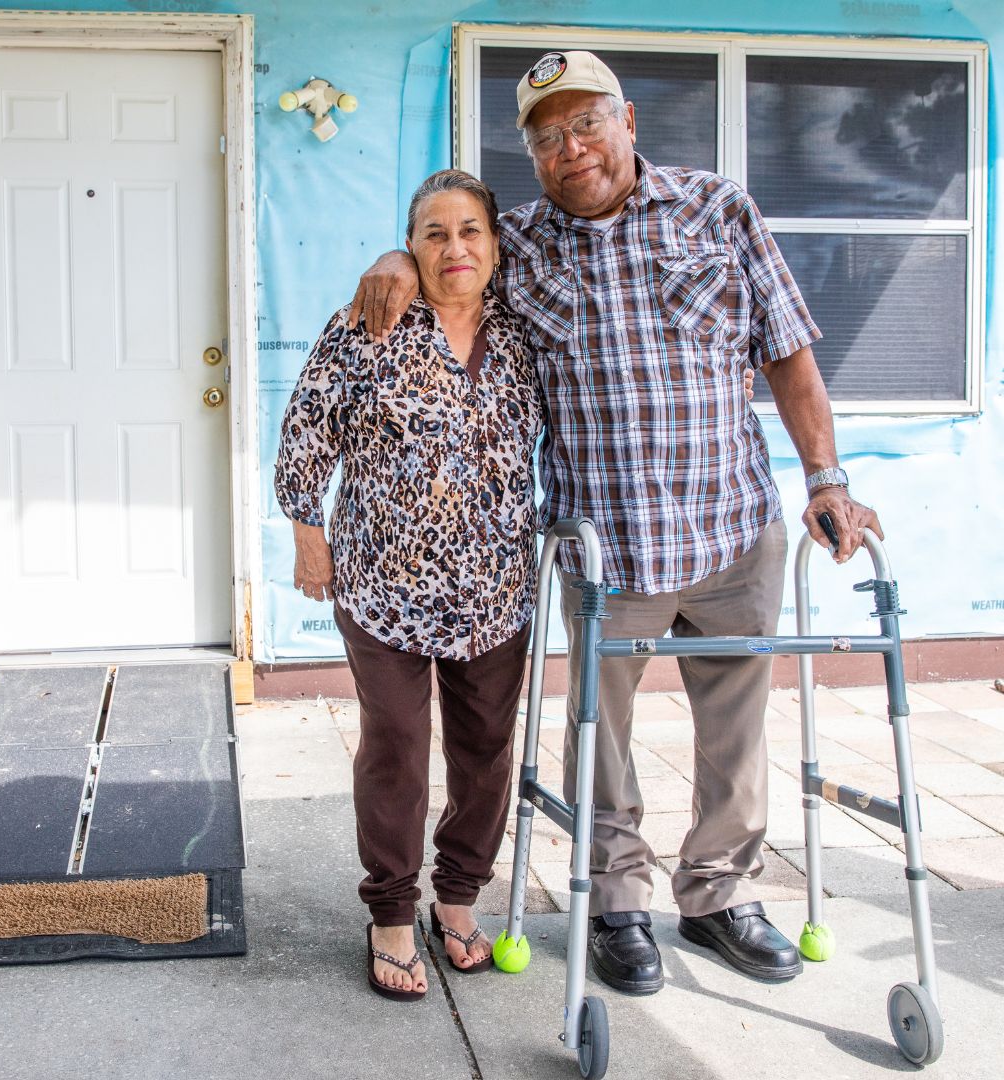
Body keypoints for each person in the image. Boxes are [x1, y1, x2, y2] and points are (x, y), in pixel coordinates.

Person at [348, 51, 883, 996]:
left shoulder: (718, 209)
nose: (570, 148)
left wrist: (828, 478)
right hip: (609, 542)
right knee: (600, 734)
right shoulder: (518, 243)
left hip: (730, 530)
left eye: (586, 122)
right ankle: (618, 903)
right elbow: (448, 260)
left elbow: (789, 352)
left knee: (738, 732)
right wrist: (396, 256)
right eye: (546, 137)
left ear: (629, 119)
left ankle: (720, 895)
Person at [275, 170, 542, 1002]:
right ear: (410, 246)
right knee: (395, 746)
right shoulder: (372, 320)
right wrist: (306, 530)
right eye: (432, 233)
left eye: (470, 230)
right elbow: (307, 425)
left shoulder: (530, 329)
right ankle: (391, 911)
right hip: (383, 582)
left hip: (495, 585)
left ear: (497, 244)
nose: (454, 248)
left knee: (486, 752)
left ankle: (457, 897)